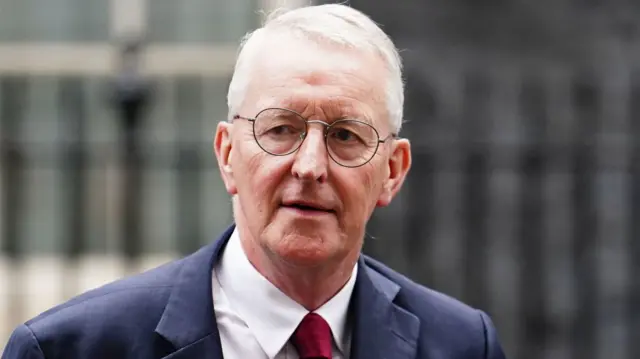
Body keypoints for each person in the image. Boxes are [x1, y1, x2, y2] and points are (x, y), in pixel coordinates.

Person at [1, 4, 506, 359]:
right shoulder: (72, 348)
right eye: (281, 130)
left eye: (346, 135)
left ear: (392, 171)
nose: (309, 166)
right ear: (227, 155)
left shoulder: (460, 344)